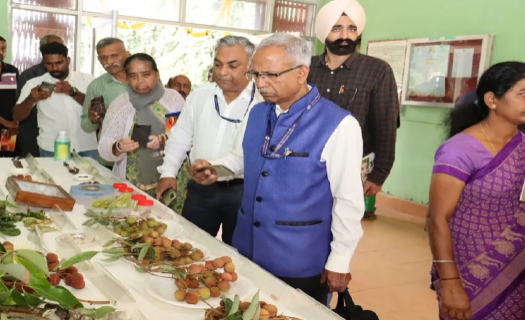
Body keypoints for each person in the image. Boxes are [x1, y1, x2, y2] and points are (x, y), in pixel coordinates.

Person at [190, 33, 364, 298]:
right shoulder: (258, 112)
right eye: (256, 74)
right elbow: (241, 159)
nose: (261, 83)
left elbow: (348, 199)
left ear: (301, 72)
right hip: (247, 247)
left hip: (299, 258)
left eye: (271, 75)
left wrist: (340, 259)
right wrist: (218, 170)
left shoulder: (339, 124)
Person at [428, 62, 525, 320]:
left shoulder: (523, 145)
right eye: (523, 93)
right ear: (492, 99)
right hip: (470, 272)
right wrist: (450, 283)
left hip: (518, 270)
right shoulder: (460, 150)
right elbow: (437, 219)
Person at [156, 35, 261, 245]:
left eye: (232, 66)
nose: (222, 72)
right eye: (218, 64)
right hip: (200, 189)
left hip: (244, 192)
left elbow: (254, 151)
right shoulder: (200, 95)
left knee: (239, 256)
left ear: (251, 66)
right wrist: (168, 172)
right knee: (189, 247)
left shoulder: (263, 100)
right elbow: (180, 136)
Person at [310, 0, 399, 220]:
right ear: (323, 32)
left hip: (351, 169)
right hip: (308, 166)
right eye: (336, 28)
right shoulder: (306, 68)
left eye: (352, 29)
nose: (345, 36)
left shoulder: (377, 70)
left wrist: (379, 174)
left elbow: (386, 125)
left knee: (342, 229)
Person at [98, 54, 188, 212]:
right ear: (127, 78)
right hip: (132, 183)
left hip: (172, 176)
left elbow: (181, 133)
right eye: (133, 76)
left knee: (169, 227)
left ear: (157, 74)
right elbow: (104, 146)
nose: (140, 81)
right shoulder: (121, 104)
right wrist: (118, 146)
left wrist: (163, 139)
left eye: (146, 74)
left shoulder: (173, 99)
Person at [13, 42, 98, 159]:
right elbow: (17, 116)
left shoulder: (87, 80)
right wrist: (30, 99)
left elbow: (98, 108)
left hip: (87, 146)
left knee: (92, 178)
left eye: (59, 63)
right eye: (49, 64)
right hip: (51, 148)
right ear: (44, 63)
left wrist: (73, 93)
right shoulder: (33, 84)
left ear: (68, 60)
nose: (55, 68)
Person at [81, 38, 131, 168]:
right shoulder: (96, 86)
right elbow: (86, 126)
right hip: (111, 158)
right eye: (103, 58)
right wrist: (93, 120)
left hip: (141, 156)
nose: (109, 62)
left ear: (127, 54)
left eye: (114, 56)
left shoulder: (144, 81)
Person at [16, 34, 64, 158]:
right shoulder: (29, 76)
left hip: (63, 138)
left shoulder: (69, 75)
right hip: (33, 132)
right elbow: (20, 110)